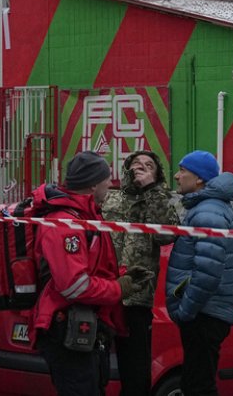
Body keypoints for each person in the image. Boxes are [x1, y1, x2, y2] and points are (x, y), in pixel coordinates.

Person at [29, 151, 148, 396]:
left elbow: (94, 266)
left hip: (83, 328)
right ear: (93, 184)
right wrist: (118, 288)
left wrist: (122, 276)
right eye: (106, 178)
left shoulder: (87, 216)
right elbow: (73, 285)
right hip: (66, 330)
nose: (110, 183)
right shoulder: (66, 224)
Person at [102, 151, 179, 396]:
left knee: (136, 372)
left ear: (156, 175)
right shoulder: (111, 198)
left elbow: (166, 235)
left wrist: (152, 190)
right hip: (103, 291)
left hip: (136, 298)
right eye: (136, 164)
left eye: (149, 166)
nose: (141, 168)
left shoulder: (160, 200)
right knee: (95, 364)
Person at [165, 151, 233, 396]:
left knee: (199, 387)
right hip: (207, 311)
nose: (177, 176)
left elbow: (208, 271)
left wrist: (185, 310)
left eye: (182, 171)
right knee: (195, 384)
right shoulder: (208, 208)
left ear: (199, 179)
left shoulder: (208, 212)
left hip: (204, 313)